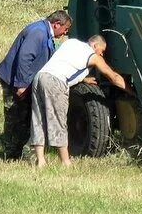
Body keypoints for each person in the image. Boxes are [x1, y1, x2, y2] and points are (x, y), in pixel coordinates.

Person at [29, 34, 129, 167]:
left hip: (40, 77)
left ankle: (40, 160)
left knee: (39, 119)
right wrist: (131, 91)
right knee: (59, 121)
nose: (102, 55)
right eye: (102, 51)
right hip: (55, 82)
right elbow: (113, 77)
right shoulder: (93, 56)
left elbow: (65, 63)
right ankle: (65, 162)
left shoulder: (71, 43)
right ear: (95, 45)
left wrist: (83, 79)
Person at [0, 10, 72, 160]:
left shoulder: (44, 32)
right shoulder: (38, 33)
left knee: (25, 117)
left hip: (22, 81)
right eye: (65, 29)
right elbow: (24, 58)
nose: (65, 33)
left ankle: (19, 154)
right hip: (15, 82)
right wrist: (22, 84)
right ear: (57, 24)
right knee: (15, 118)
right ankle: (10, 155)